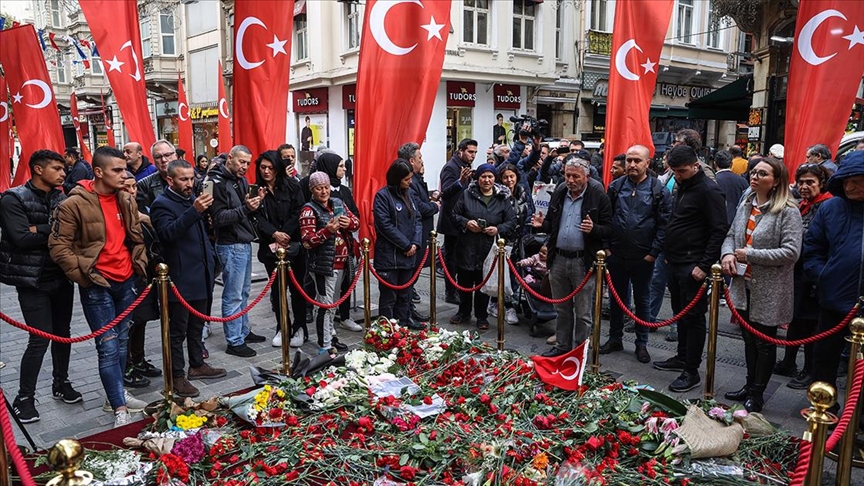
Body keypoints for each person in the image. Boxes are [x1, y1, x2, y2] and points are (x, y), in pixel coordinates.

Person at [48, 146, 150, 427]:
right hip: (97, 284)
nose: (124, 174)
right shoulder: (73, 203)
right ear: (98, 172)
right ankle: (119, 409)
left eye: (124, 168)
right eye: (117, 170)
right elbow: (58, 247)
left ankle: (115, 394)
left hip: (126, 280)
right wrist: (85, 275)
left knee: (121, 343)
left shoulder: (124, 198)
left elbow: (135, 236)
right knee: (107, 346)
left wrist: (138, 262)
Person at [0, 150, 79, 423]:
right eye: (57, 168)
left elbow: (73, 232)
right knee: (39, 339)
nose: (63, 173)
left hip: (61, 276)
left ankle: (61, 383)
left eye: (63, 168)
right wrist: (54, 230)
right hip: (32, 281)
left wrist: (39, 228)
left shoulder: (61, 197)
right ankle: (24, 398)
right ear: (38, 169)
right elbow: (21, 238)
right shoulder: (13, 198)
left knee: (63, 334)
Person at [721, 157, 802, 412]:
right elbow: (731, 235)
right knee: (748, 338)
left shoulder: (788, 210)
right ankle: (749, 385)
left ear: (776, 181)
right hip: (742, 284)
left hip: (769, 289)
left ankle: (757, 393)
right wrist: (728, 254)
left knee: (764, 342)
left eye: (762, 174)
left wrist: (750, 255)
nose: (755, 177)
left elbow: (791, 252)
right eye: (754, 172)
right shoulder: (747, 202)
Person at [652, 145, 728, 393]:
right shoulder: (682, 186)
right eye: (674, 171)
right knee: (680, 313)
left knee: (693, 318)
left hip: (693, 264)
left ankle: (691, 370)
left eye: (682, 171)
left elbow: (719, 229)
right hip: (676, 261)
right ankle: (682, 356)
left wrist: (704, 266)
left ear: (696, 166)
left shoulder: (709, 190)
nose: (677, 175)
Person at [150, 160, 226, 398]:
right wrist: (194, 211)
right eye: (183, 179)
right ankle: (176, 376)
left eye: (192, 178)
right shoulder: (162, 204)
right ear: (170, 180)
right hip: (180, 278)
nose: (189, 183)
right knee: (177, 330)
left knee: (197, 325)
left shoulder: (192, 198)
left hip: (201, 274)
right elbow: (167, 234)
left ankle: (197, 363)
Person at [533, 156, 613, 356]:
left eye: (575, 176)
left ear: (586, 176)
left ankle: (579, 351)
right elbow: (551, 223)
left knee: (583, 312)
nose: (570, 180)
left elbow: (609, 229)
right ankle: (562, 347)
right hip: (559, 258)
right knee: (561, 308)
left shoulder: (598, 194)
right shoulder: (560, 191)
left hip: (583, 261)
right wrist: (542, 225)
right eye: (567, 175)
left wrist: (594, 229)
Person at [601, 145, 671, 364]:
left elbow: (664, 224)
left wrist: (653, 253)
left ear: (647, 163)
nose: (632, 164)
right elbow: (607, 217)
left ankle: (642, 343)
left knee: (642, 300)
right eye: (629, 160)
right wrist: (607, 247)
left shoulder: (658, 190)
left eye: (637, 161)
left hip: (643, 256)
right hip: (616, 254)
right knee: (616, 299)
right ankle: (615, 338)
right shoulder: (616, 186)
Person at [803, 150, 864, 395]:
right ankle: (823, 407)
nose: (850, 187)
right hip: (834, 299)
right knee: (825, 357)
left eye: (857, 181)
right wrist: (823, 276)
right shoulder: (830, 208)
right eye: (847, 181)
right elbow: (812, 248)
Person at [774, 164, 832, 390]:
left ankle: (809, 370)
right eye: (801, 182)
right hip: (798, 274)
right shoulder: (802, 204)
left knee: (811, 324)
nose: (804, 186)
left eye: (810, 182)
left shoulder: (827, 206)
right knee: (796, 320)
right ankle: (788, 362)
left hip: (814, 276)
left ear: (821, 184)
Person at [209, 145, 267, 358]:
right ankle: (234, 340)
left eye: (248, 163)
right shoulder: (215, 182)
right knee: (233, 294)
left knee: (243, 292)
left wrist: (255, 203)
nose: (245, 167)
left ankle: (242, 330)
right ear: (230, 158)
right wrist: (246, 208)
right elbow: (218, 218)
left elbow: (244, 210)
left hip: (244, 241)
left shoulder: (240, 181)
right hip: (230, 243)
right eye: (241, 162)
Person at [449, 163, 516, 330]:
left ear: (495, 179)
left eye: (490, 177)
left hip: (488, 248)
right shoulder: (467, 194)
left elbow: (511, 221)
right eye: (483, 177)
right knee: (464, 281)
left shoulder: (502, 198)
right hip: (467, 246)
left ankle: (481, 316)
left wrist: (498, 229)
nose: (487, 180)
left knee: (483, 283)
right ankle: (463, 311)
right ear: (478, 178)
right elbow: (454, 215)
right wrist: (466, 223)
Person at [300, 172, 361, 354]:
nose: (324, 191)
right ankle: (325, 345)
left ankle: (329, 338)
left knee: (333, 304)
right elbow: (307, 241)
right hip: (323, 265)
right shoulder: (308, 210)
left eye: (326, 187)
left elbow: (356, 222)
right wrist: (327, 231)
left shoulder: (338, 203)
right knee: (325, 305)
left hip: (343, 261)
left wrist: (349, 223)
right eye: (319, 188)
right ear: (312, 190)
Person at [253, 151, 308, 348]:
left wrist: (284, 233)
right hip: (270, 248)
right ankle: (282, 326)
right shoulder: (256, 190)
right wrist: (274, 233)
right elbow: (256, 217)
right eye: (263, 167)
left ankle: (300, 327)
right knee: (277, 291)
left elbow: (299, 211)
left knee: (297, 289)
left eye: (271, 168)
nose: (267, 171)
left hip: (293, 245)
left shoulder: (292, 186)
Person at [315, 152, 363, 333]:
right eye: (340, 166)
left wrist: (349, 222)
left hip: (346, 246)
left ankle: (344, 316)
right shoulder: (315, 192)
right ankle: (326, 323)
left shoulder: (344, 191)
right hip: (326, 250)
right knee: (327, 290)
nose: (344, 169)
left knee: (346, 283)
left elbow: (355, 214)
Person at [373, 160, 424, 330]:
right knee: (389, 297)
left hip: (409, 255)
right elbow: (384, 225)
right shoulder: (382, 196)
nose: (410, 182)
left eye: (410, 178)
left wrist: (415, 243)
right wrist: (405, 245)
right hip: (390, 256)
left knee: (405, 295)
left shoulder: (410, 194)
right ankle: (387, 328)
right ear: (397, 178)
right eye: (406, 179)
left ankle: (404, 324)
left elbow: (417, 219)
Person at [487, 162, 534, 325]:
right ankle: (507, 306)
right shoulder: (499, 194)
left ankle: (498, 302)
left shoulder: (522, 191)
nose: (509, 180)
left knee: (514, 273)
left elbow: (528, 211)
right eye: (505, 177)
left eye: (512, 176)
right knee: (503, 274)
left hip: (519, 239)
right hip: (503, 240)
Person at [399, 142, 439, 322]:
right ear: (411, 160)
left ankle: (409, 310)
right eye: (420, 158)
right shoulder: (410, 182)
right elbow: (419, 208)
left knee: (412, 277)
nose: (422, 161)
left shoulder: (416, 179)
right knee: (409, 277)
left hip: (421, 235)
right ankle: (406, 313)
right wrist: (434, 206)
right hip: (415, 237)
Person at [438, 138, 478, 305]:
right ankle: (450, 291)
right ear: (460, 151)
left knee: (460, 257)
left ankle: (459, 289)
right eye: (470, 152)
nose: (473, 155)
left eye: (475, 152)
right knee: (451, 259)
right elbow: (445, 193)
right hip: (451, 221)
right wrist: (460, 182)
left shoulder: (465, 166)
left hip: (462, 219)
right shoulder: (451, 167)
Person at [714, 150, 749, 226]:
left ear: (715, 164)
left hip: (718, 222)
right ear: (731, 164)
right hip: (737, 221)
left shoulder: (712, 181)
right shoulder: (742, 181)